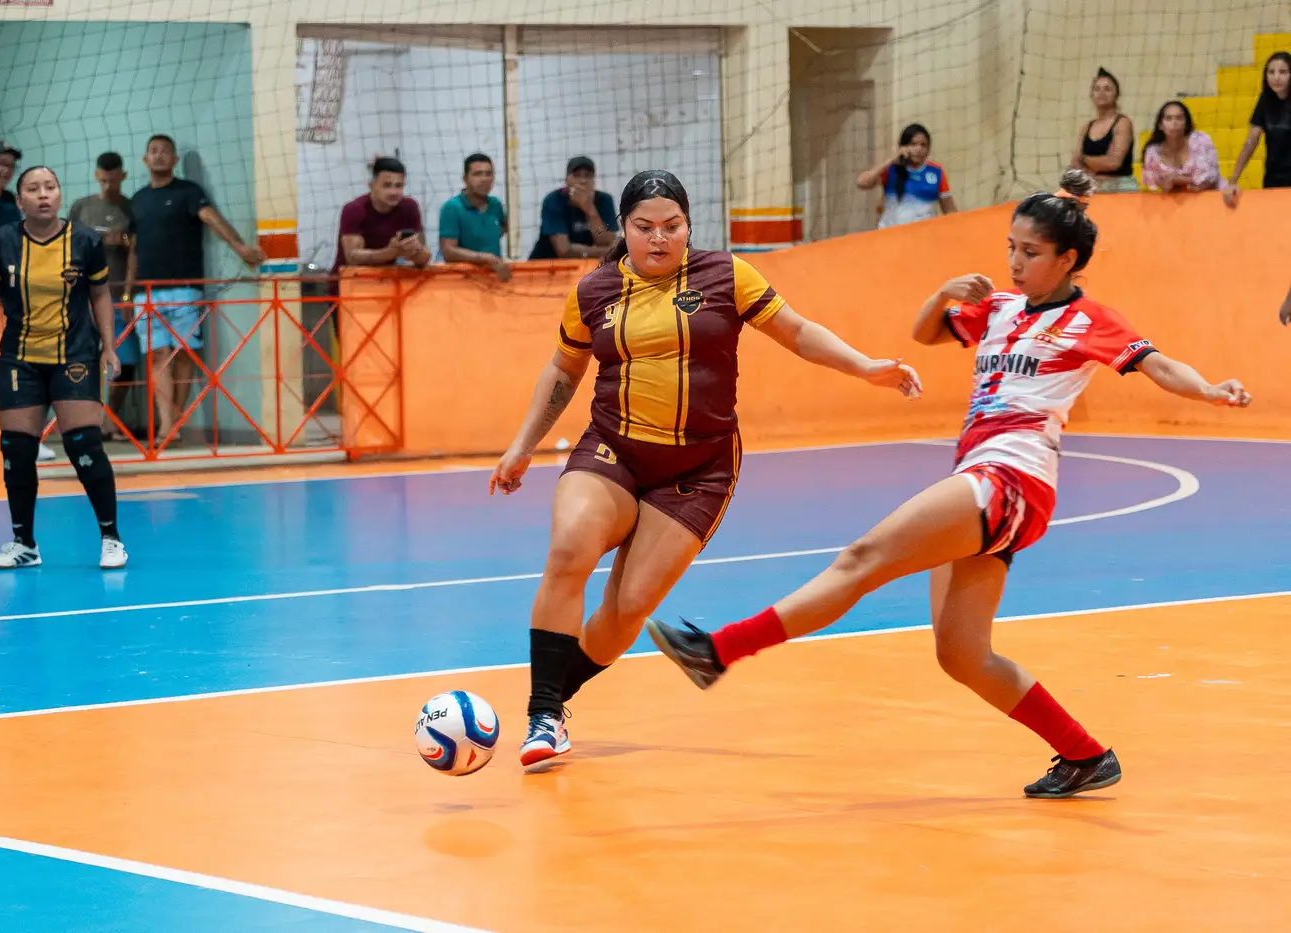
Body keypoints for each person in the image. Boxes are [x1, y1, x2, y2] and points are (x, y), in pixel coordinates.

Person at [646, 169, 1252, 799]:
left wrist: (1209, 389)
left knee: (862, 558)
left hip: (1012, 477)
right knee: (962, 655)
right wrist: (942, 294)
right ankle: (1084, 754)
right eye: (1011, 247)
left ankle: (718, 651)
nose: (1015, 262)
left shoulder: (1087, 320)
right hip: (982, 476)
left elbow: (1159, 366)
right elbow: (926, 332)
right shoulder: (1000, 307)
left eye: (1031, 252)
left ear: (1068, 260)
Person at [488, 169, 922, 769]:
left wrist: (866, 367)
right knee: (569, 549)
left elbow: (797, 332)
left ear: (689, 226)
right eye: (645, 227)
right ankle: (542, 714)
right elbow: (564, 371)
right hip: (614, 450)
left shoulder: (727, 275)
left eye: (672, 226)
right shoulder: (594, 291)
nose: (659, 238)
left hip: (698, 468)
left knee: (628, 607)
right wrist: (522, 446)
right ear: (623, 228)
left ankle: (556, 698)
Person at [0, 167, 130, 570]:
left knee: (83, 444)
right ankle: (24, 544)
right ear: (19, 199)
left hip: (74, 355)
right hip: (19, 358)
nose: (43, 194)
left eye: (50, 187)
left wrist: (109, 348)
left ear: (59, 195)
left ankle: (111, 538)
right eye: (33, 189)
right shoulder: (2, 241)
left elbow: (100, 295)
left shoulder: (85, 240)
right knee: (17, 449)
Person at [129, 134, 266, 440]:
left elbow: (211, 219)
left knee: (183, 354)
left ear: (175, 159)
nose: (159, 156)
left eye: (166, 151)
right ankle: (166, 423)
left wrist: (240, 247)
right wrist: (128, 290)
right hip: (145, 291)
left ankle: (175, 417)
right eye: (153, 151)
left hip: (184, 287)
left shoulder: (189, 192)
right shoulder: (137, 199)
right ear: (145, 159)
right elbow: (133, 248)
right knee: (157, 355)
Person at [68, 151, 138, 438]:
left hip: (118, 296)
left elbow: (135, 247)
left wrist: (121, 239)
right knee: (82, 360)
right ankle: (83, 420)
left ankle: (110, 419)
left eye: (114, 180)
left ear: (123, 177)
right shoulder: (81, 207)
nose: (108, 185)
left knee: (125, 361)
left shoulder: (131, 208)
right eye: (104, 180)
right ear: (97, 176)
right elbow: (66, 246)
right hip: (84, 297)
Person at [332, 157, 431, 271]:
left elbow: (424, 257)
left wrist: (414, 251)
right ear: (371, 185)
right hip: (348, 278)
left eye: (399, 186)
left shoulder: (409, 208)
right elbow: (352, 258)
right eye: (387, 185)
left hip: (385, 277)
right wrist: (391, 252)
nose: (393, 192)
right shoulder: (354, 210)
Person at [1223, 51, 1291, 207]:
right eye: (1271, 72)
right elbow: (1251, 141)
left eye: (1283, 72)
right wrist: (1233, 180)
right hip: (1274, 177)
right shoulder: (1265, 100)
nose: (1276, 77)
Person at [857, 124, 957, 227]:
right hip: (890, 233)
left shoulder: (936, 171)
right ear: (903, 146)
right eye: (913, 144)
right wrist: (891, 160)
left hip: (924, 233)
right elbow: (861, 182)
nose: (919, 149)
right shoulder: (891, 169)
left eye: (923, 145)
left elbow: (949, 210)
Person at [528, 156, 618, 260]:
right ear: (567, 180)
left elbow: (607, 242)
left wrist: (589, 209)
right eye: (577, 175)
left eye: (588, 176)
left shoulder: (604, 200)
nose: (583, 181)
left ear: (594, 180)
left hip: (584, 264)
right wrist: (602, 251)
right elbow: (564, 251)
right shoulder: (553, 200)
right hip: (546, 262)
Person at [438, 153, 511, 281]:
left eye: (488, 174)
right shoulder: (452, 208)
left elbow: (502, 228)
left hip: (493, 277)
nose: (484, 179)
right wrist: (485, 257)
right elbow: (448, 252)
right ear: (465, 178)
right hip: (463, 279)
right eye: (477, 174)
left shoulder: (495, 204)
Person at [1071, 68, 1137, 193]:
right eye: (1097, 89)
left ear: (1116, 94)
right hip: (1092, 187)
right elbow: (1075, 163)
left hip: (1121, 188)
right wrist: (1098, 163)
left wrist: (1084, 160)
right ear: (1092, 95)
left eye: (1107, 89)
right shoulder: (1086, 127)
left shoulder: (1122, 123)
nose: (1101, 93)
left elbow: (1114, 163)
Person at [1141, 101, 1226, 193]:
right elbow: (1156, 186)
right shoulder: (1152, 152)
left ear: (1186, 123)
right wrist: (1187, 183)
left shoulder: (1201, 141)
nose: (1174, 123)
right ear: (1160, 125)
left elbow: (1210, 180)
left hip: (1217, 195)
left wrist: (1178, 179)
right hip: (1178, 199)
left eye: (1179, 118)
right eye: (1168, 118)